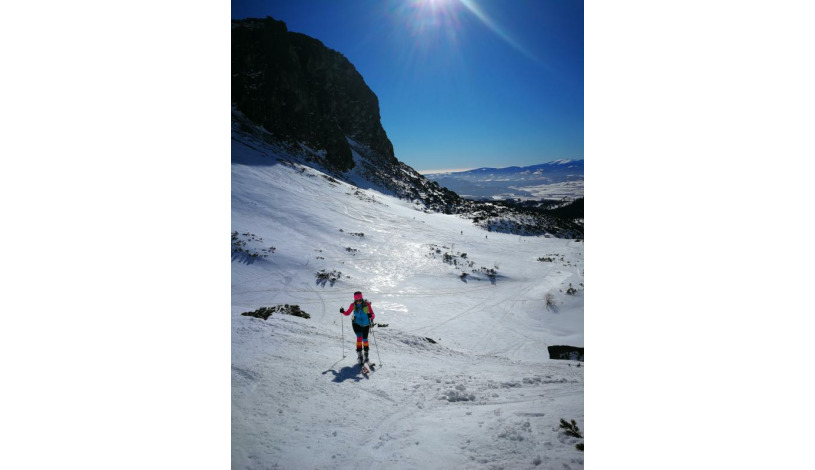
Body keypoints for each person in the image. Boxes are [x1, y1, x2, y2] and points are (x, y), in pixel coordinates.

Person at [340, 291, 376, 364]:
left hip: (366, 325)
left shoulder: (366, 304)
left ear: (362, 298)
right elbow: (347, 313)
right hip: (356, 324)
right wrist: (343, 311)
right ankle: (360, 356)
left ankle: (366, 357)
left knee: (365, 340)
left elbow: (372, 314)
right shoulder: (353, 305)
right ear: (354, 299)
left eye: (360, 299)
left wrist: (371, 316)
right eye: (357, 300)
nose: (358, 301)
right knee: (359, 338)